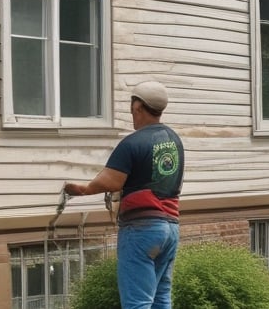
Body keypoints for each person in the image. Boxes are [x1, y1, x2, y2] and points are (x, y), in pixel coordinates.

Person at [63, 81, 184, 309]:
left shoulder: (133, 143)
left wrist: (82, 189)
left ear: (137, 107)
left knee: (138, 303)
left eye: (132, 109)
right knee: (160, 298)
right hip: (170, 229)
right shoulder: (173, 140)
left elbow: (111, 181)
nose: (132, 114)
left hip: (141, 230)